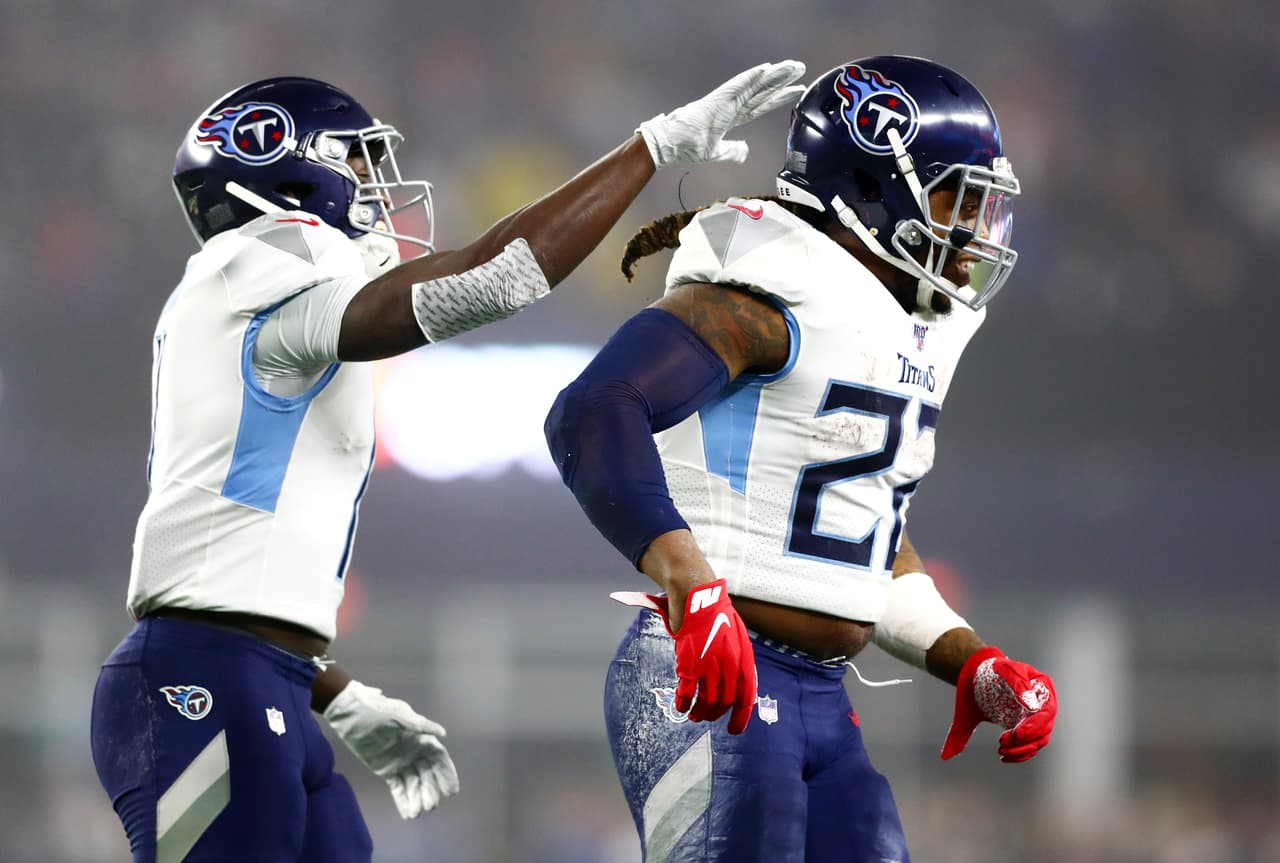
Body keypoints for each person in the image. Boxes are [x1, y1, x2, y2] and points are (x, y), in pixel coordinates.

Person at [88, 61, 807, 862]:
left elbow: (226, 550)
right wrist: (652, 147)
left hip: (255, 673)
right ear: (280, 172)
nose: (377, 188)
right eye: (357, 163)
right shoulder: (256, 264)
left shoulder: (250, 306)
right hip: (205, 677)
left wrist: (331, 688)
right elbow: (493, 277)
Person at [544, 55, 1059, 862]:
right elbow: (593, 408)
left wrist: (971, 661)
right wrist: (688, 577)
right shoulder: (767, 292)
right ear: (872, 189)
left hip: (819, 695)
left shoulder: (904, 327)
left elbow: (857, 536)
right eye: (958, 201)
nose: (974, 234)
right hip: (711, 666)